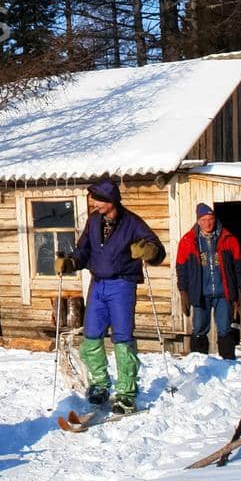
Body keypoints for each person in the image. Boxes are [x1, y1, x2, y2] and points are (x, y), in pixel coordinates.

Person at [54, 175, 166, 415]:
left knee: (123, 339)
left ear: (110, 200)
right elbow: (84, 251)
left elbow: (158, 251)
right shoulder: (94, 221)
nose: (94, 205)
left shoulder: (132, 223)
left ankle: (126, 393)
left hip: (122, 285)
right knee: (91, 337)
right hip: (98, 284)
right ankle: (100, 385)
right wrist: (70, 262)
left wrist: (148, 251)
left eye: (98, 201)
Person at [175, 203, 241, 360]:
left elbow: (239, 267)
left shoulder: (228, 239)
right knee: (199, 328)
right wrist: (183, 291)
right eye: (204, 219)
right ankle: (200, 364)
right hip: (200, 293)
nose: (208, 223)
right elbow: (181, 269)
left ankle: (228, 362)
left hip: (223, 293)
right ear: (198, 221)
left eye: (211, 219)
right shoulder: (188, 241)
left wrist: (240, 290)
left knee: (225, 329)